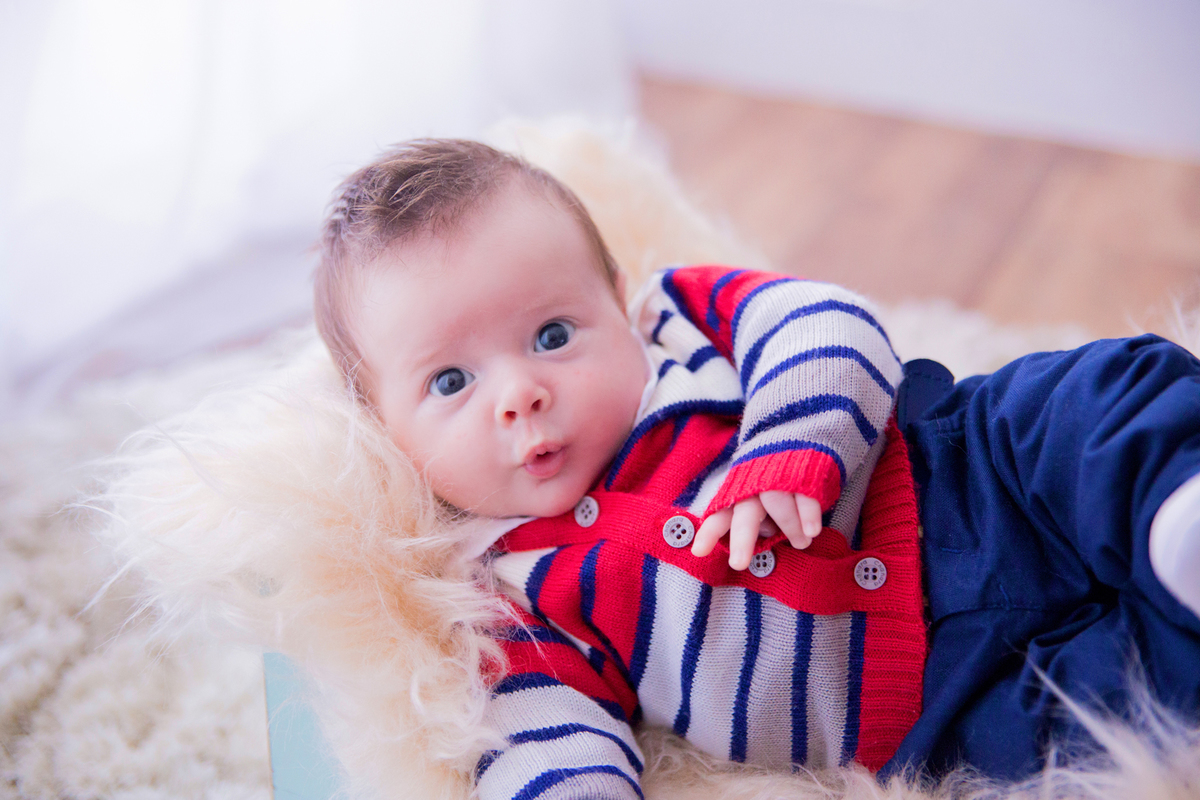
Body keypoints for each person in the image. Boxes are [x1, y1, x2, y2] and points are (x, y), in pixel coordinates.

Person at [313, 138, 1200, 799]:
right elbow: (544, 738)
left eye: (552, 334)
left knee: (1095, 400)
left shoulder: (680, 318)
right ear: (384, 431)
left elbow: (825, 322)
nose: (520, 393)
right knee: (1096, 727)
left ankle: (1176, 508)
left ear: (617, 302)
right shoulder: (512, 603)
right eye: (452, 382)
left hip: (957, 477)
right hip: (935, 703)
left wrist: (790, 445)